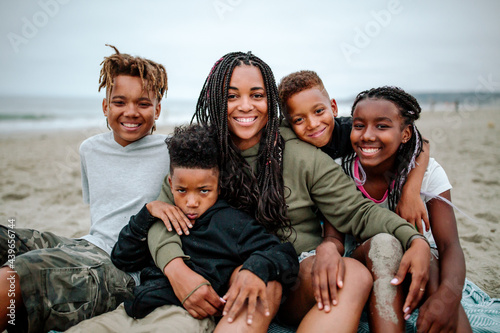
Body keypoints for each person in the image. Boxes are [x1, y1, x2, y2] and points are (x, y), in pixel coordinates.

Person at [145, 52, 431, 333]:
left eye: (257, 95)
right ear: (216, 100)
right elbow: (164, 213)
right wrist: (176, 271)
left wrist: (414, 238)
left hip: (293, 276)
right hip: (224, 274)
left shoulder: (300, 154)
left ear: (270, 102)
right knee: (258, 283)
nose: (245, 106)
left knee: (353, 275)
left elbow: (358, 212)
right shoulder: (201, 153)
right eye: (232, 96)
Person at [0, 45, 169, 332]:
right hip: (86, 245)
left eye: (143, 103)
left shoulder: (171, 151)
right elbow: (103, 216)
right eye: (119, 102)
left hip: (123, 269)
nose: (131, 112)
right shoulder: (89, 149)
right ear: (105, 107)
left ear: (158, 109)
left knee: (19, 274)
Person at [109, 124, 298, 325]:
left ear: (219, 186)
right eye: (182, 190)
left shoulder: (232, 224)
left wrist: (255, 268)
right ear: (171, 184)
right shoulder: (164, 217)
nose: (191, 202)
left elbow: (282, 253)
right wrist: (146, 214)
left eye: (204, 191)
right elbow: (122, 258)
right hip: (132, 309)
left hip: (182, 316)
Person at [337, 86, 471, 332]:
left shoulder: (428, 173)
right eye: (359, 125)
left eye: (382, 126)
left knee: (432, 266)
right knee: (385, 244)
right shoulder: (340, 172)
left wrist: (448, 297)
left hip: (421, 268)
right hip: (364, 264)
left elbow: (450, 245)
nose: (367, 135)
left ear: (406, 133)